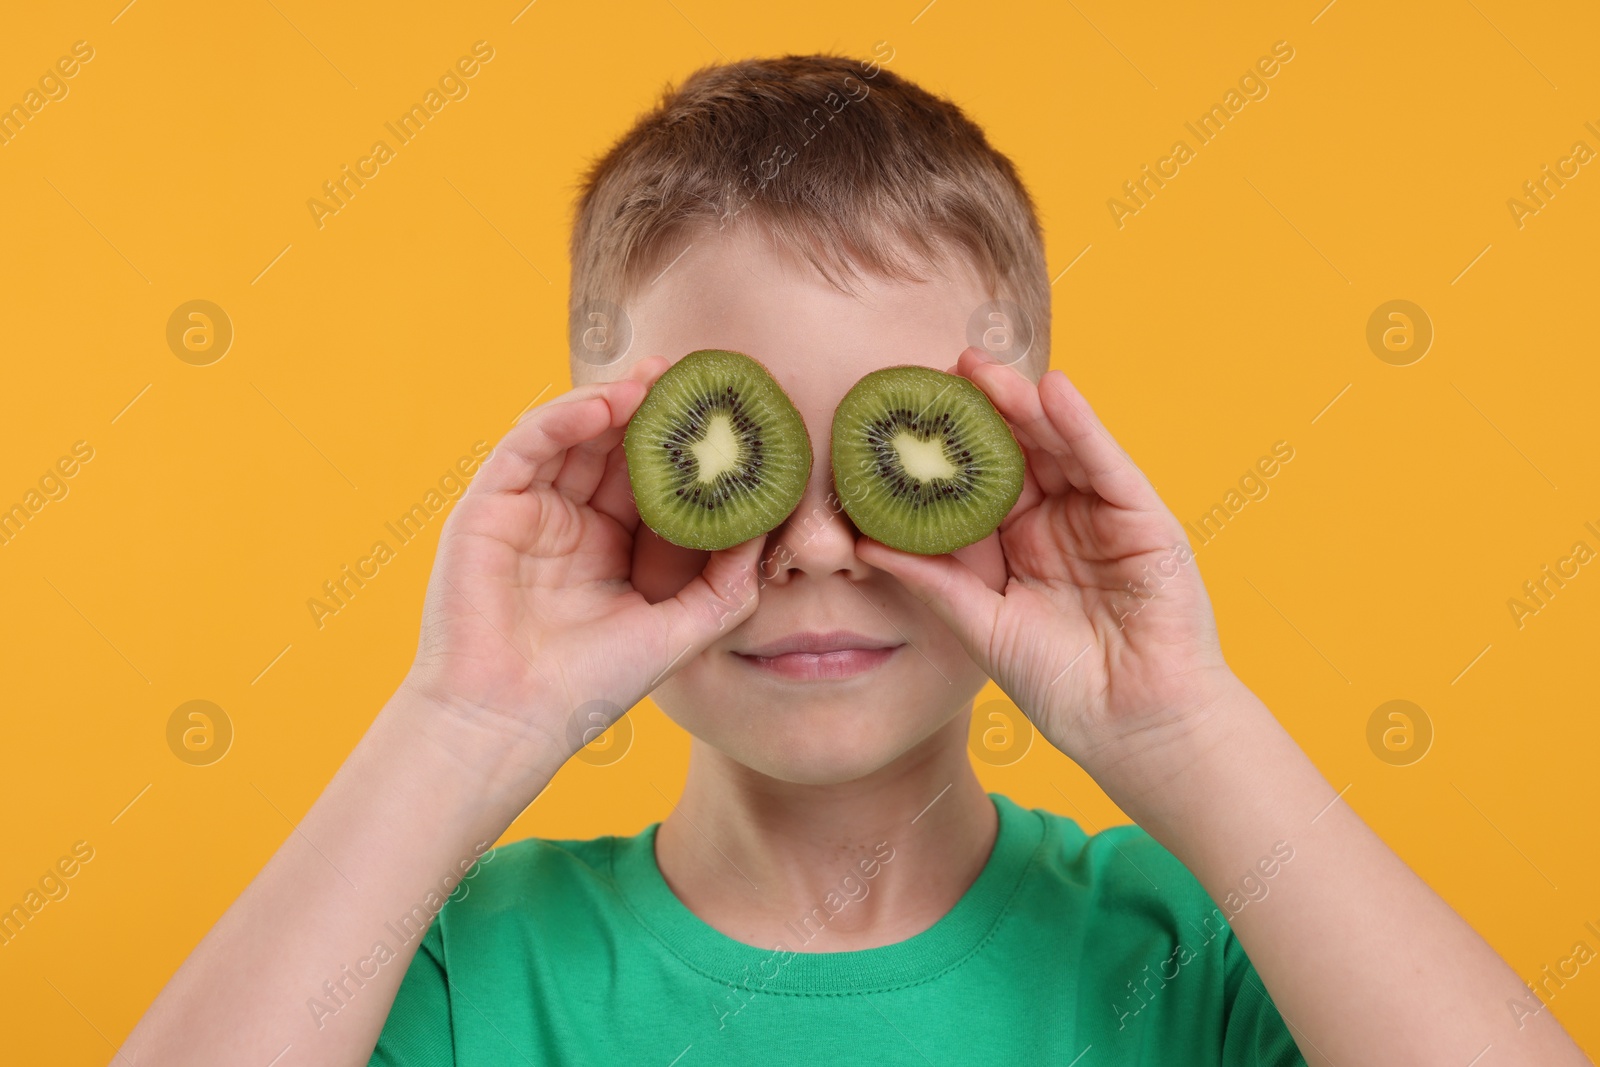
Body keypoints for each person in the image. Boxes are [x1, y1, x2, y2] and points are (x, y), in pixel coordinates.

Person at [120, 54, 1590, 1066]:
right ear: (610, 466)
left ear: (1017, 466)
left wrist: (1185, 720)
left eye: (894, 458)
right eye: (733, 460)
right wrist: (461, 723)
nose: (816, 541)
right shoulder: (446, 963)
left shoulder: (1209, 946)